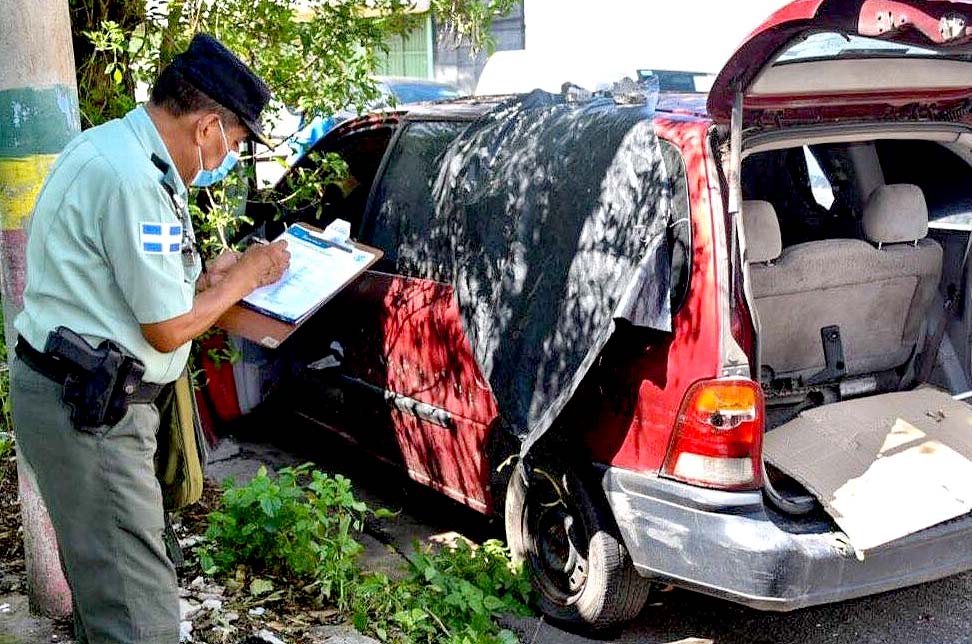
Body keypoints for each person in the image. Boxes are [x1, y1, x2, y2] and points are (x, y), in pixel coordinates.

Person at [10, 34, 290, 643]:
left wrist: (206, 277)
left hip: (77, 397)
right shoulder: (134, 179)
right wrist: (243, 277)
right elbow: (165, 330)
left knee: (109, 596)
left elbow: (135, 278)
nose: (230, 157)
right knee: (140, 620)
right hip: (92, 416)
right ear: (207, 126)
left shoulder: (122, 149)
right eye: (236, 143)